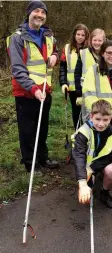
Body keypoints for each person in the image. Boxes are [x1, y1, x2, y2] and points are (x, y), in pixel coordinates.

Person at [6, 0, 59, 172]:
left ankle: (43, 158)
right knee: (27, 130)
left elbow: (55, 51)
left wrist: (55, 56)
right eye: (36, 11)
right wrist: (33, 89)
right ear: (28, 13)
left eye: (43, 12)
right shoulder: (17, 38)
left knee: (42, 128)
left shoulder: (48, 36)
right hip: (26, 93)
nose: (40, 15)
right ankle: (30, 163)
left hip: (45, 90)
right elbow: (18, 69)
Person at [72, 99, 112, 208]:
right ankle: (87, 183)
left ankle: (104, 193)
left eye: (105, 120)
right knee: (86, 197)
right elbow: (79, 157)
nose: (101, 124)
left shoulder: (110, 130)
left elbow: (111, 154)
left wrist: (92, 169)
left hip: (98, 163)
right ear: (91, 116)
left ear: (110, 118)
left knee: (111, 171)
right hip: (85, 164)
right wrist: (82, 182)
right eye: (98, 119)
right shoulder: (83, 132)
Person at [59, 24, 90, 129]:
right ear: (74, 35)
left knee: (87, 113)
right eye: (78, 34)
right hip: (72, 88)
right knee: (76, 113)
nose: (80, 37)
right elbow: (62, 68)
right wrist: (63, 83)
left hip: (85, 87)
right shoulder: (67, 48)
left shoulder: (89, 49)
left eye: (83, 35)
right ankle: (78, 134)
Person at [74, 28, 106, 109]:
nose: (97, 43)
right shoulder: (83, 53)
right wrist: (79, 94)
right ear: (90, 40)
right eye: (94, 40)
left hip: (104, 92)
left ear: (104, 41)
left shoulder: (107, 55)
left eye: (100, 41)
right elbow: (77, 74)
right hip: (87, 93)